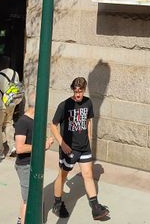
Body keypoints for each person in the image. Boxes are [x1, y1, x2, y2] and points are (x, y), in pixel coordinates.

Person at [49, 77, 109, 220]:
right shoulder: (64, 105)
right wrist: (62, 143)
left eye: (80, 91)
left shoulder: (88, 103)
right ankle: (57, 204)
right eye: (76, 91)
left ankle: (95, 209)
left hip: (84, 148)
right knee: (63, 177)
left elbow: (88, 121)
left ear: (84, 90)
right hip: (69, 149)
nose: (78, 94)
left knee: (88, 175)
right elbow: (52, 125)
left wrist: (88, 138)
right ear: (72, 90)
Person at [14, 92, 54, 224]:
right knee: (30, 200)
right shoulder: (23, 122)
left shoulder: (34, 121)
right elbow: (19, 148)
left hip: (32, 164)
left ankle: (21, 220)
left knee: (30, 198)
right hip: (25, 166)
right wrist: (41, 146)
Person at [0, 56, 21, 160]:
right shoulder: (15, 73)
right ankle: (13, 147)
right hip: (11, 103)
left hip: (0, 105)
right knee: (8, 124)